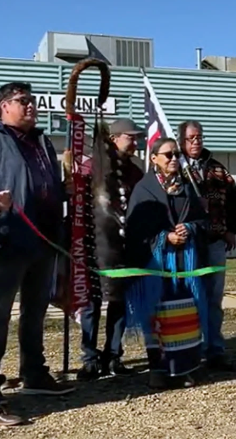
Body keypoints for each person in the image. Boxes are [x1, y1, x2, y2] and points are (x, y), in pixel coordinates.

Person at [0, 82, 75, 427]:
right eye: (22, 101)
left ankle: (34, 373)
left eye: (33, 101)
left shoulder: (42, 142)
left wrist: (64, 190)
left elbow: (43, 187)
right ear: (3, 106)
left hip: (43, 241)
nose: (30, 106)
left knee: (36, 311)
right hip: (5, 241)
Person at [125, 137, 209, 389]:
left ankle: (185, 369)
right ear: (154, 158)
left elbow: (203, 221)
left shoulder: (187, 187)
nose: (174, 159)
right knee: (158, 318)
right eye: (168, 155)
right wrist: (164, 237)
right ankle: (159, 370)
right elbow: (135, 229)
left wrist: (190, 228)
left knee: (184, 317)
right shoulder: (144, 189)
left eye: (176, 154)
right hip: (156, 265)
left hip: (184, 265)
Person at [75, 118, 145, 381]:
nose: (135, 142)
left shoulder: (134, 172)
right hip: (96, 243)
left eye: (137, 137)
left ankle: (113, 355)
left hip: (124, 245)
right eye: (130, 137)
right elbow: (77, 198)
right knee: (92, 301)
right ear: (114, 138)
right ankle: (90, 358)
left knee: (119, 300)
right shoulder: (94, 167)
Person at [178, 120, 236, 370]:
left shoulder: (217, 169)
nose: (196, 142)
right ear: (182, 140)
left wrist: (231, 229)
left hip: (215, 241)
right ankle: (192, 350)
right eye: (191, 138)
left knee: (214, 298)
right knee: (191, 298)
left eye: (199, 137)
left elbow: (234, 201)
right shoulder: (177, 168)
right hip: (188, 245)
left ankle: (215, 349)